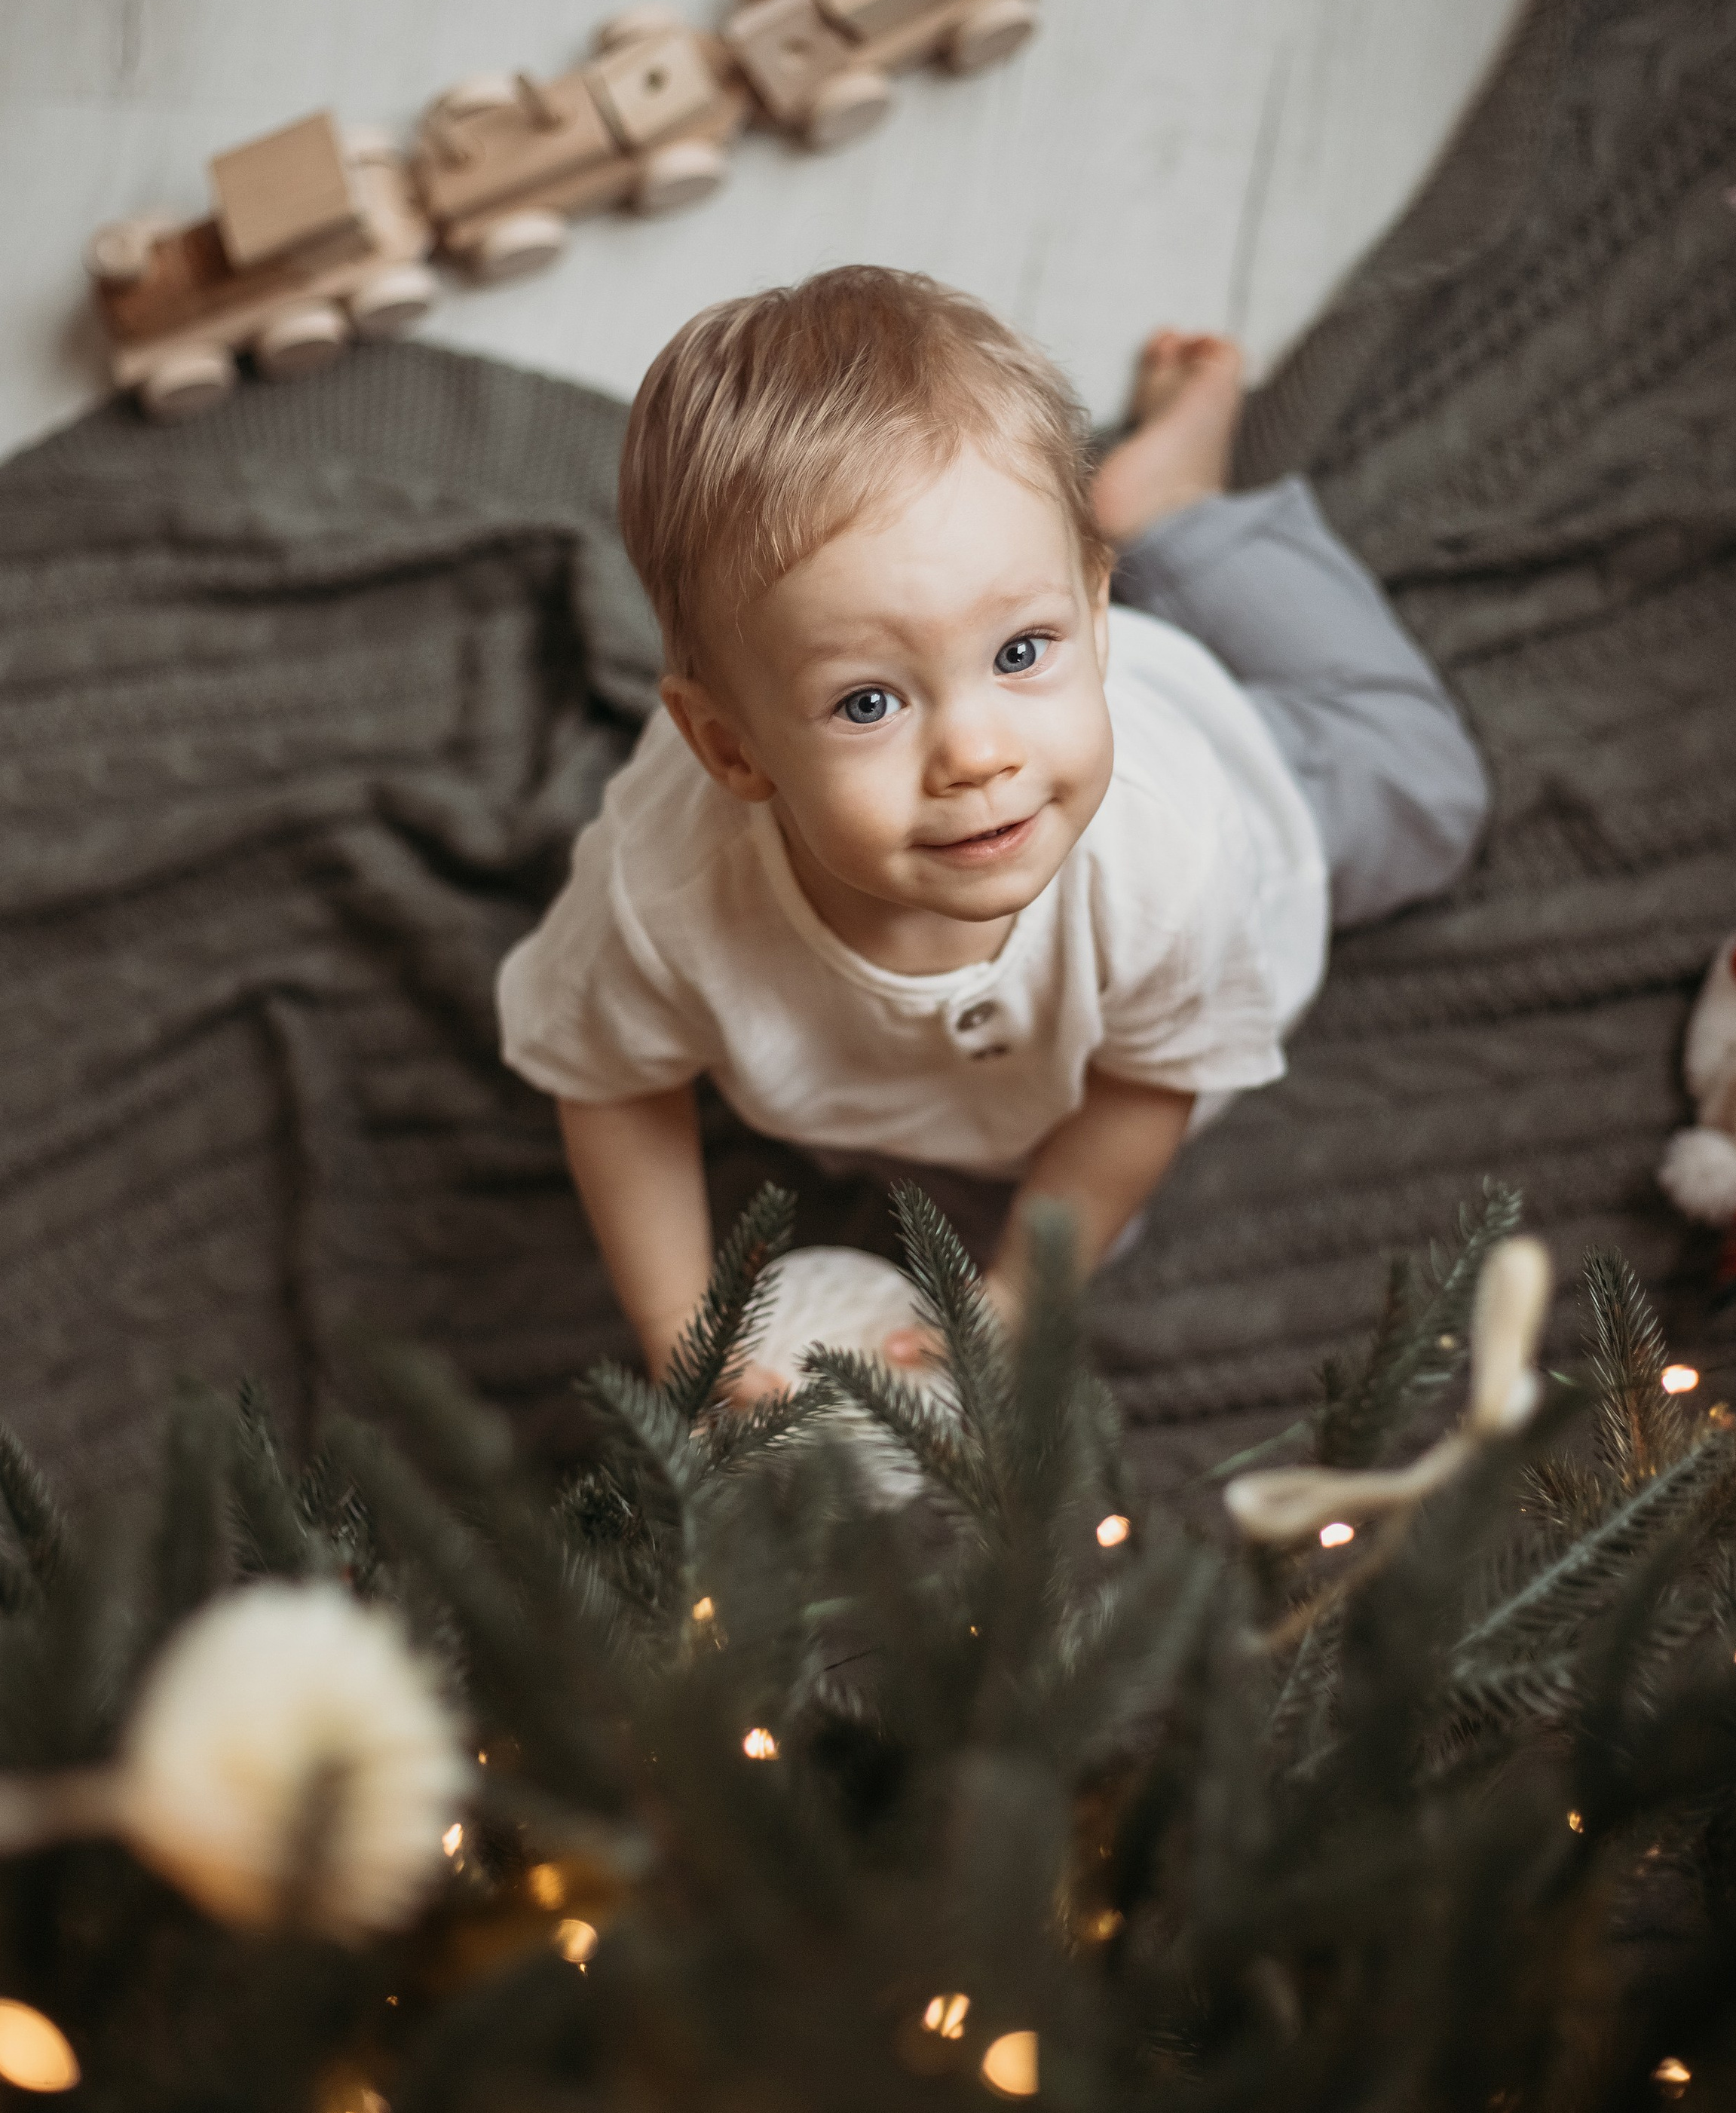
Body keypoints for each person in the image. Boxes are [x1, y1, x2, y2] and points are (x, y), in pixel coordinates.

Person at [496, 266, 1487, 1385]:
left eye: (1022, 650)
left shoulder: (1170, 860)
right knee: (996, 1268)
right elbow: (611, 1081)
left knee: (1429, 793)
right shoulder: (658, 898)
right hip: (952, 1118)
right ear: (730, 749)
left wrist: (1024, 1290)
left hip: (1260, 785)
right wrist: (684, 1330)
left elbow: (1147, 1081)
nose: (977, 755)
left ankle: (1176, 521)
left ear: (1094, 618)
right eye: (868, 703)